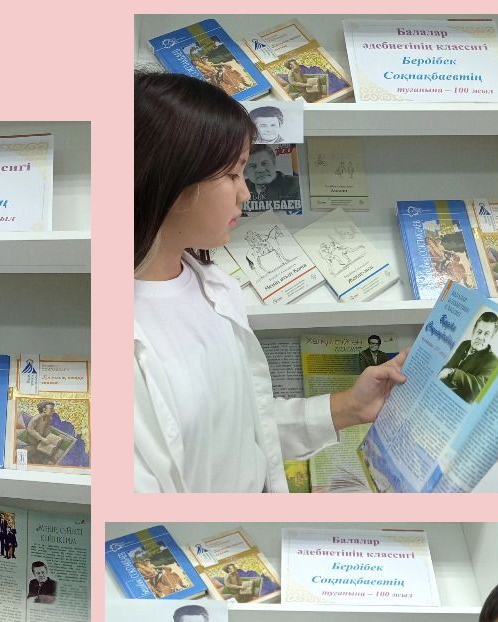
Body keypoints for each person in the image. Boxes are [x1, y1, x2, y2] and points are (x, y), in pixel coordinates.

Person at [134, 71, 407, 492]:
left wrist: (350, 407)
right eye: (232, 175)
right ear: (172, 178)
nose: (245, 193)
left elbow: (242, 429)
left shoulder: (214, 288)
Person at [438, 312, 498, 403]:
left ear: (492, 337)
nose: (480, 337)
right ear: (473, 330)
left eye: (486, 334)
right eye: (479, 331)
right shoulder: (465, 344)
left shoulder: (493, 361)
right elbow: (448, 366)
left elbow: (479, 389)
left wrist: (452, 373)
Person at [243, 144, 300, 210]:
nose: (260, 170)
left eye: (264, 163)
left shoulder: (295, 184)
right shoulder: (242, 187)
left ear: (274, 163)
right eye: (252, 166)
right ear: (245, 170)